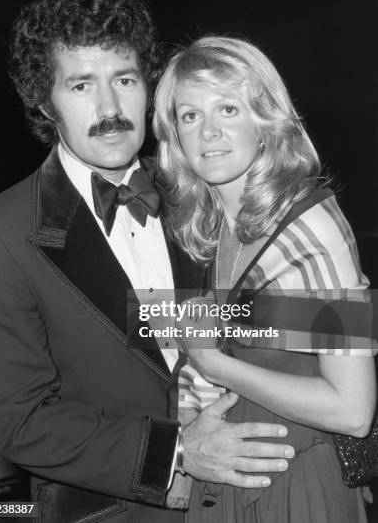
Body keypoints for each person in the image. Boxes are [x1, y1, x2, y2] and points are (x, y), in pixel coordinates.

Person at [0, 0, 295, 523]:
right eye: (81, 85)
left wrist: (348, 332)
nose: (109, 107)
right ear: (42, 99)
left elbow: (242, 321)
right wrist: (177, 455)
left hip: (251, 498)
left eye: (124, 79)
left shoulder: (200, 186)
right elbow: (21, 421)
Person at [153, 35, 377, 522]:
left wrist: (216, 365)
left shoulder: (309, 226)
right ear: (176, 139)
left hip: (299, 486)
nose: (208, 131)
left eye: (228, 109)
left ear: (265, 122)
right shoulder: (213, 232)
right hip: (231, 484)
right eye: (190, 116)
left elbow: (354, 411)